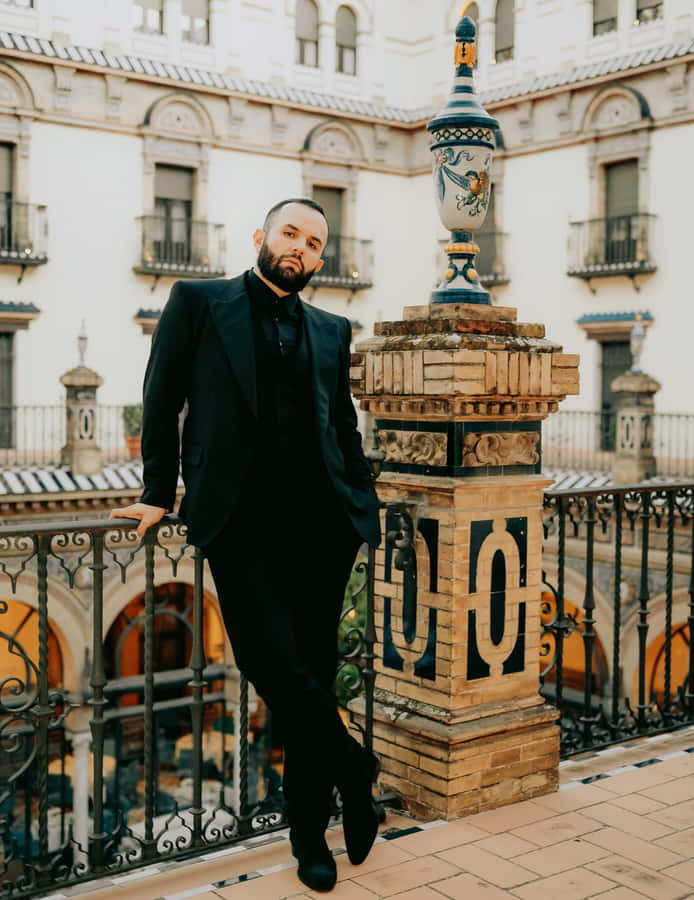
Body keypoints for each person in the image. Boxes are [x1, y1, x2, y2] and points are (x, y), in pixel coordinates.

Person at [111, 198, 382, 893]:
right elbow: (162, 393)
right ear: (262, 236)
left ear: (321, 258)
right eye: (290, 233)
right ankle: (356, 774)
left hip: (323, 526)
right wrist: (157, 491)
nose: (300, 249)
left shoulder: (331, 327)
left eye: (314, 243)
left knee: (311, 680)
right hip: (241, 526)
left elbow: (341, 425)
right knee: (274, 667)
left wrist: (362, 502)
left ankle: (308, 837)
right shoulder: (199, 303)